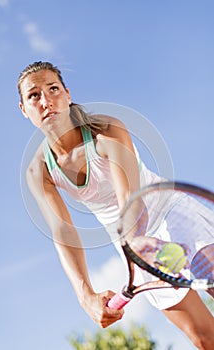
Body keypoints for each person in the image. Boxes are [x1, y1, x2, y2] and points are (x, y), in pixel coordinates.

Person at [18, 61, 214, 349]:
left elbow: (130, 199)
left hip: (167, 213)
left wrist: (138, 242)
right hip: (130, 244)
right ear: (24, 109)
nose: (45, 101)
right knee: (203, 338)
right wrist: (85, 297)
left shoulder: (106, 130)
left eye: (53, 89)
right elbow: (64, 234)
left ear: (67, 95)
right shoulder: (39, 171)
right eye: (34, 95)